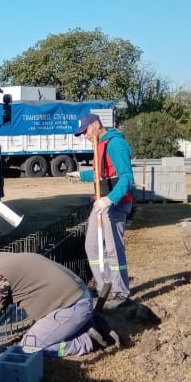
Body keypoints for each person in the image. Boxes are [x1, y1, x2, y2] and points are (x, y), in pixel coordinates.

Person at [0, 250, 119, 356]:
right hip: (78, 299)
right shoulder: (6, 259)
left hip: (71, 307)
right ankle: (90, 325)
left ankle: (87, 341)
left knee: (28, 347)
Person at [73, 112, 135, 303]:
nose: (85, 136)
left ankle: (120, 292)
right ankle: (103, 287)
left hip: (116, 204)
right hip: (101, 202)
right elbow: (101, 175)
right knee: (91, 245)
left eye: (86, 131)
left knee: (113, 248)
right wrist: (80, 176)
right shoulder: (99, 145)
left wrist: (109, 200)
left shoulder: (115, 144)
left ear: (97, 124)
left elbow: (126, 177)